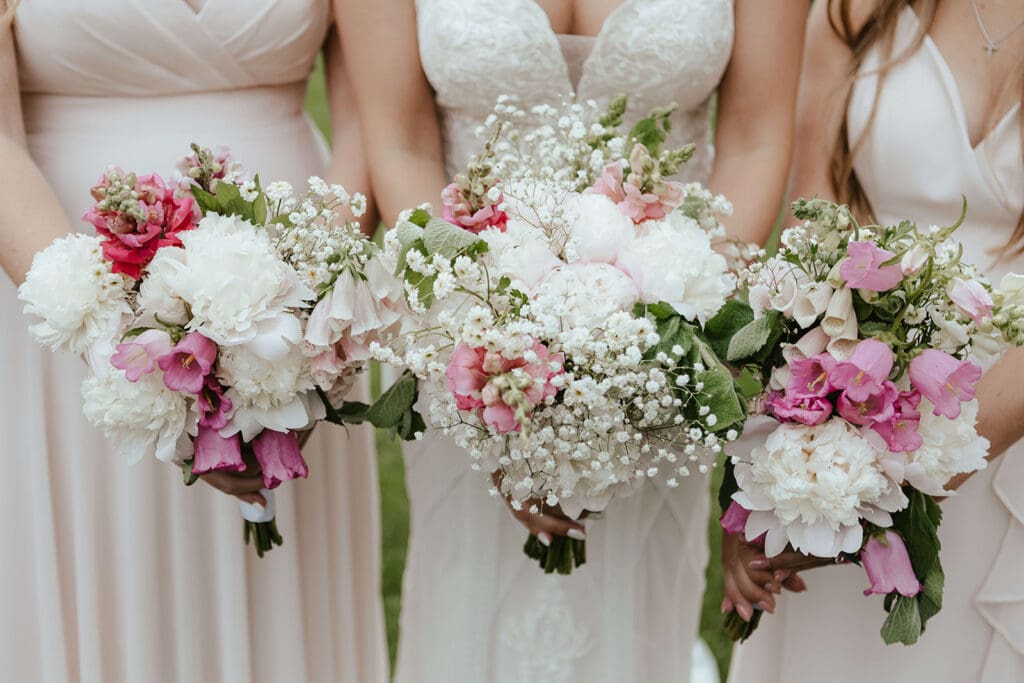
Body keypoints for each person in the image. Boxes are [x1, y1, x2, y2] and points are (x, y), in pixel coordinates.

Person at [338, 0, 806, 679]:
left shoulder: (664, 347)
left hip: (662, 353)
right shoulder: (470, 342)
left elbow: (755, 137)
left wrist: (666, 340)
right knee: (465, 596)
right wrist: (480, 349)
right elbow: (401, 138)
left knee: (635, 608)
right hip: (467, 340)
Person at [0, 1, 387, 680]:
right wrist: (123, 354)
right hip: (66, 318)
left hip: (288, 313)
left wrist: (320, 310)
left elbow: (370, 117)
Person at [723, 1, 1024, 680]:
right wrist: (774, 481)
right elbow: (813, 244)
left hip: (990, 436)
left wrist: (904, 481)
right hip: (859, 406)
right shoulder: (854, 12)